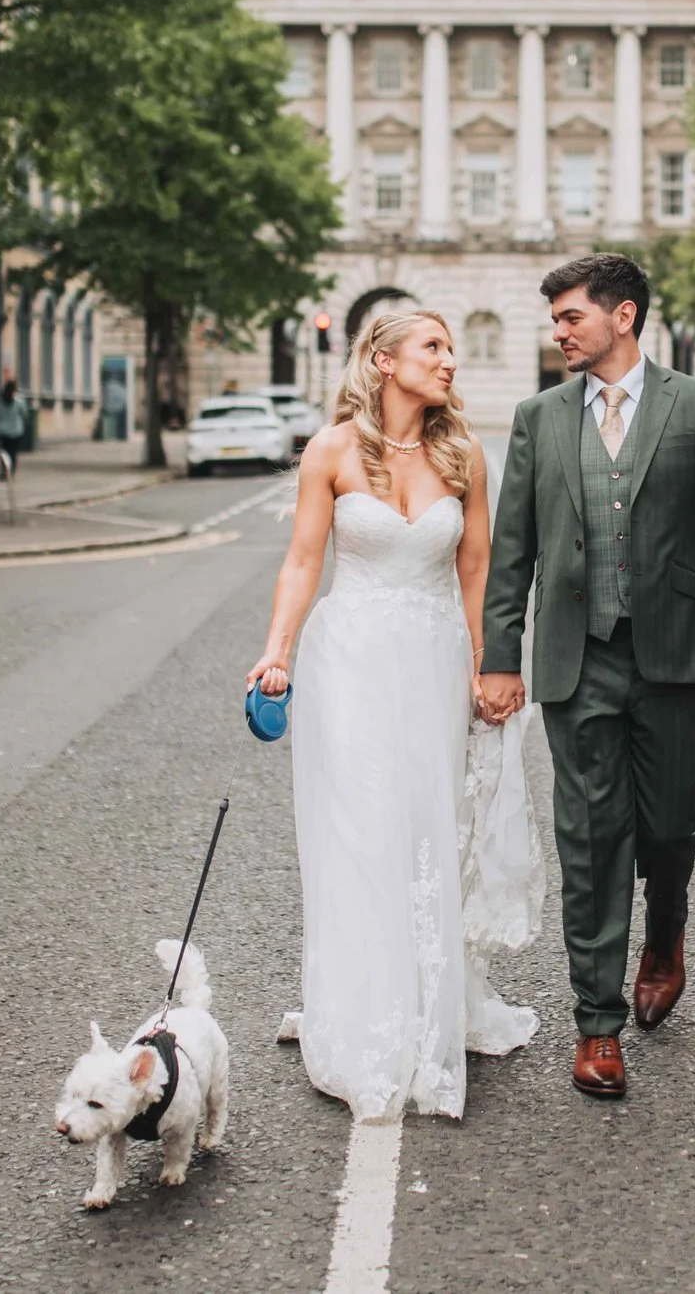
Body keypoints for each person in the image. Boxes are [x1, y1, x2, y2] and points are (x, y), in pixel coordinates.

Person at [478, 253, 695, 1101]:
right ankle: (596, 1025)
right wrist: (501, 655)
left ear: (624, 316)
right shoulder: (538, 418)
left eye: (571, 317)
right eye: (557, 318)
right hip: (578, 655)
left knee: (669, 823)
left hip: (673, 652)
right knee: (592, 836)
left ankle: (666, 929)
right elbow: (513, 553)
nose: (559, 331)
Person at [247, 311, 541, 1123]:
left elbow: (477, 568)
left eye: (451, 348)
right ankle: (361, 1009)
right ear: (383, 361)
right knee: (360, 829)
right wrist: (277, 650)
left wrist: (492, 666)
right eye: (434, 348)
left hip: (435, 658)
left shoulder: (464, 453)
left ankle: (429, 996)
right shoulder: (332, 450)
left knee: (426, 826)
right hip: (350, 663)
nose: (451, 361)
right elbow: (305, 558)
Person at [0, 373, 29, 479]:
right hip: (15, 431)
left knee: (4, 452)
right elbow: (25, 414)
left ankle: (3, 470)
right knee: (13, 454)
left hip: (2, 431)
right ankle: (11, 472)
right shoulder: (19, 401)